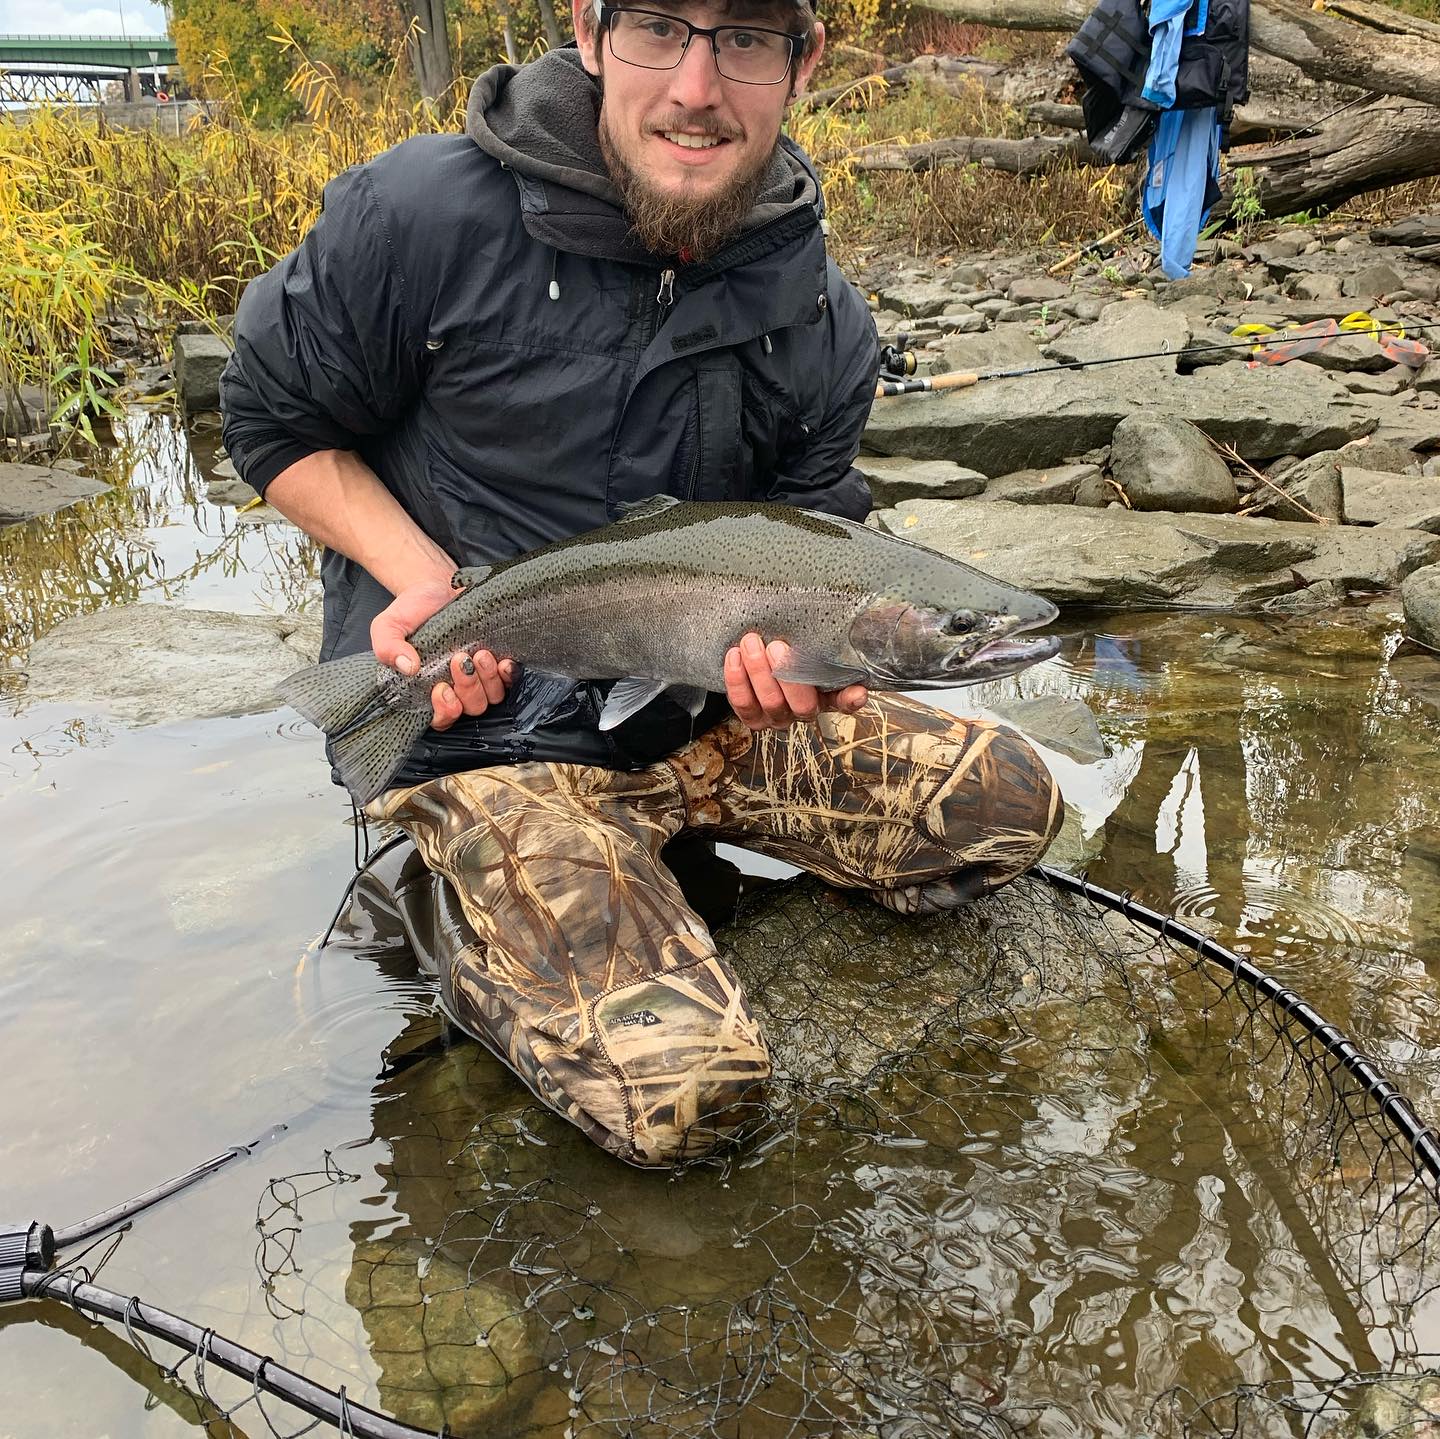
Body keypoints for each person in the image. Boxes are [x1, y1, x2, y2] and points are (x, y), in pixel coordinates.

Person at [220, 0, 1062, 1167]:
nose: (697, 87)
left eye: (748, 39)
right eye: (662, 26)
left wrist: (810, 687)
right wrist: (425, 593)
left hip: (698, 716)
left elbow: (822, 543)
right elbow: (267, 416)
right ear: (588, 29)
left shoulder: (820, 309)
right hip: (490, 733)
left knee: (1009, 803)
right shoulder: (420, 216)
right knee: (688, 1096)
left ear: (805, 58)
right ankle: (465, 925)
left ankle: (658, 862)